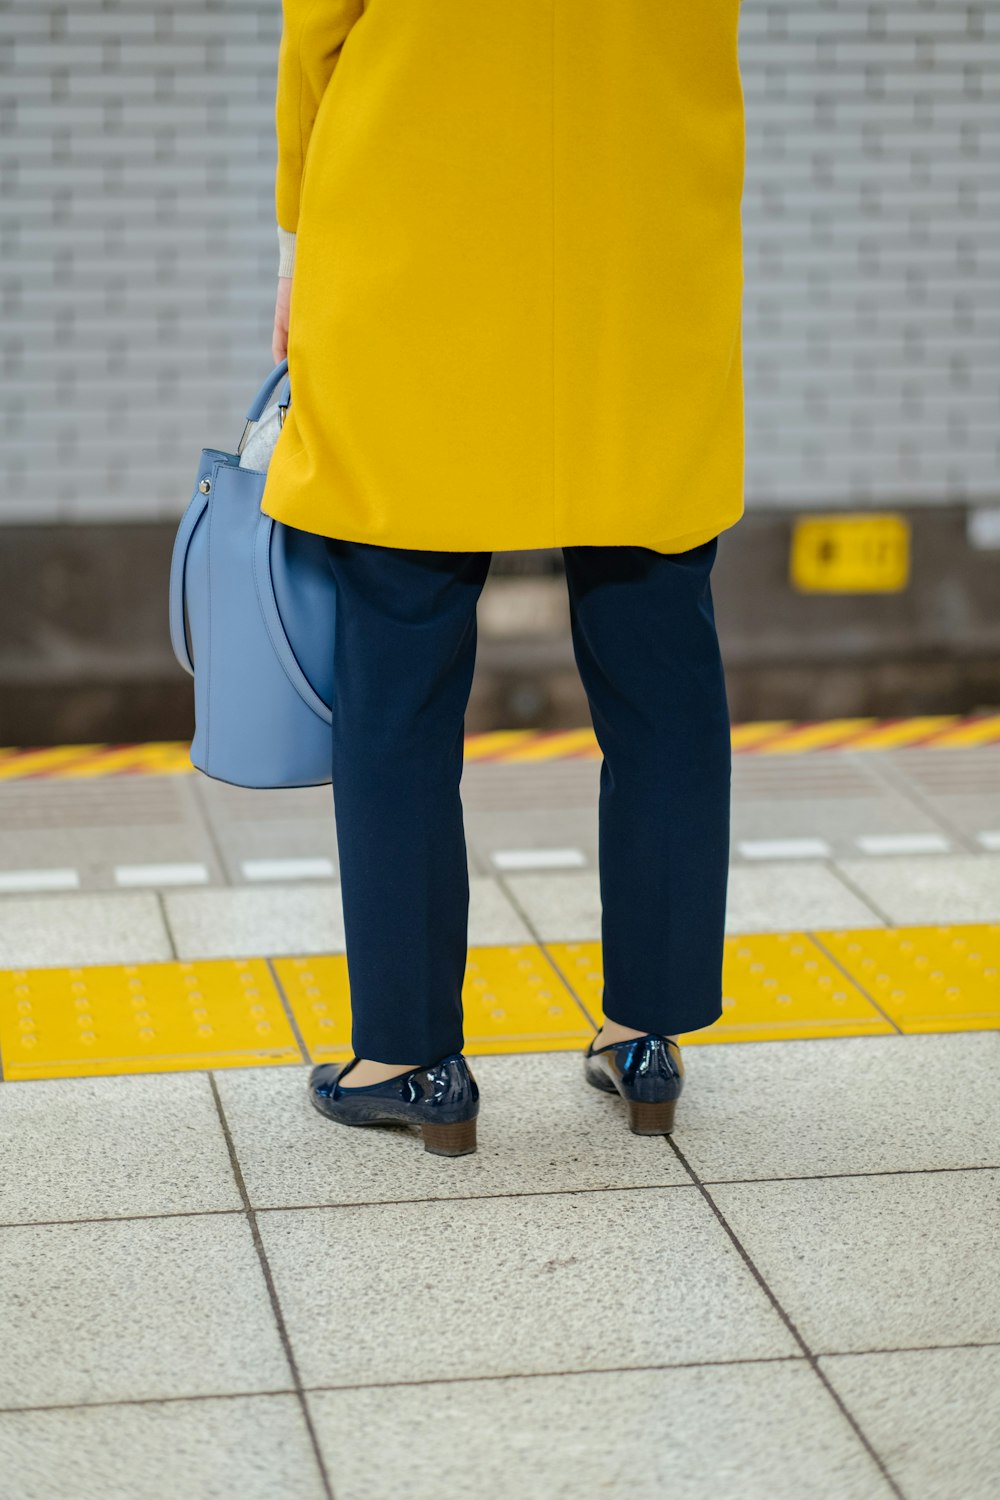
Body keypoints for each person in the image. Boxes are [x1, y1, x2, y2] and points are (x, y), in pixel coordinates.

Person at [262, 1, 746, 1157]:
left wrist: (295, 241)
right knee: (663, 673)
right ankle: (644, 1035)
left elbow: (315, 40)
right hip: (639, 274)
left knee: (396, 680)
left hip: (410, 261)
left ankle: (409, 1058)